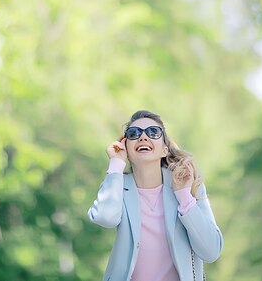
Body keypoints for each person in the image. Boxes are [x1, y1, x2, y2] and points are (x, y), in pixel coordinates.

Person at [87, 110, 223, 281]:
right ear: (126, 148)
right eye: (134, 134)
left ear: (164, 149)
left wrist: (184, 198)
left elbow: (211, 251)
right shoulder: (118, 184)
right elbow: (105, 218)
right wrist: (116, 163)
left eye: (153, 132)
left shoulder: (189, 185)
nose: (143, 137)